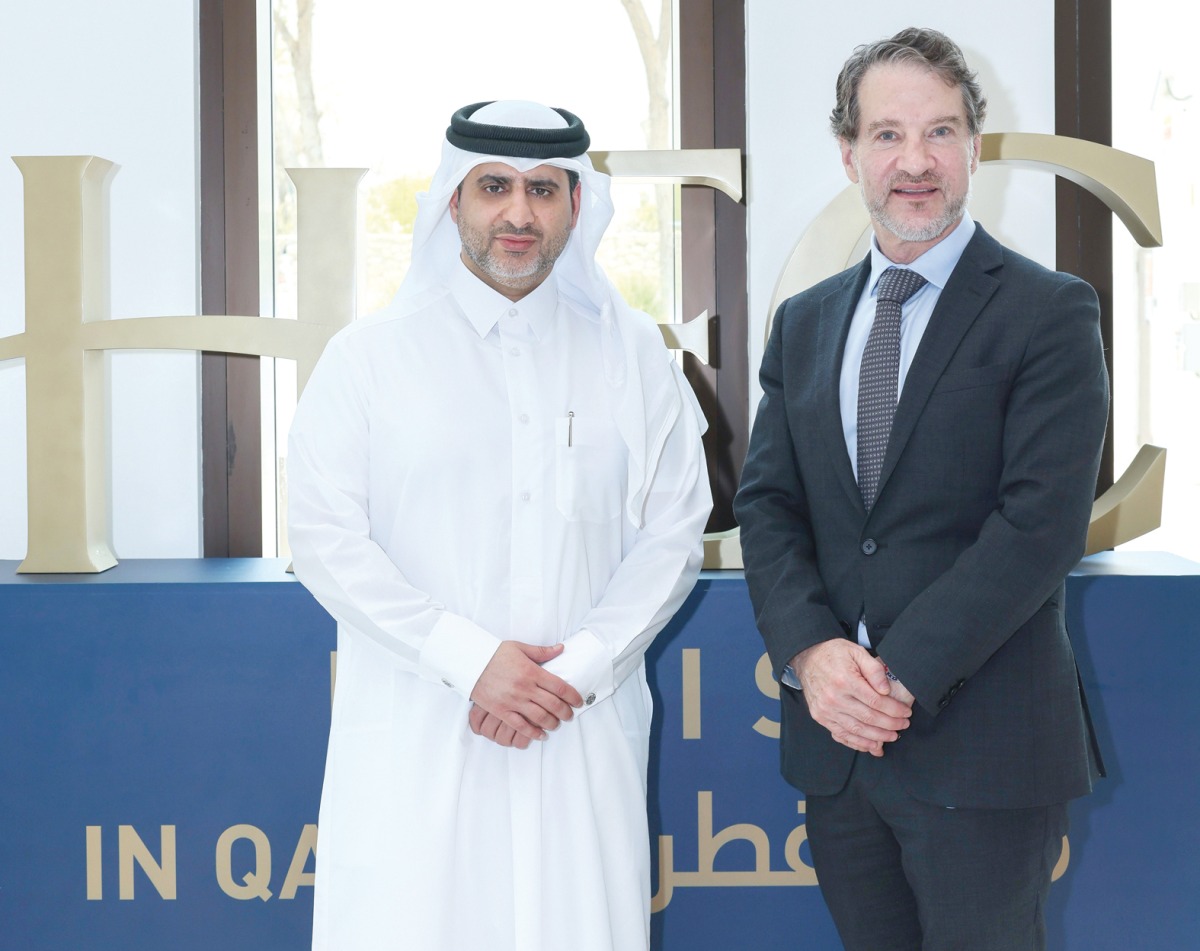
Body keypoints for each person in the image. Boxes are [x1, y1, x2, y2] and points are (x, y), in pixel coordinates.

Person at [287, 100, 711, 951]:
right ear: (453, 201)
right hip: (421, 729)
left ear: (575, 205)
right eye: (494, 187)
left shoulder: (632, 355)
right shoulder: (368, 357)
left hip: (579, 729)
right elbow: (324, 539)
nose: (519, 214)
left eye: (543, 190)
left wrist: (579, 669)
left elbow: (674, 532)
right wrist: (471, 660)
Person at [733, 28, 1108, 951]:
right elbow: (769, 506)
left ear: (975, 149)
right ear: (849, 153)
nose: (915, 161)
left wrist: (893, 677)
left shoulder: (1049, 311)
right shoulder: (805, 322)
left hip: (983, 747)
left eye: (940, 133)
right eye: (888, 134)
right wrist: (814, 657)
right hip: (839, 752)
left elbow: (1040, 526)